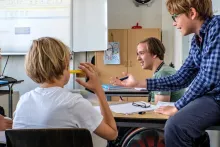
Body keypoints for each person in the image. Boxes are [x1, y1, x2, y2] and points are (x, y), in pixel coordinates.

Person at [110, 0, 220, 146]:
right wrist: (138, 83)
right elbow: (181, 78)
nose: (174, 23)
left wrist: (178, 106)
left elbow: (208, 77)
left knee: (175, 126)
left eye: (175, 17)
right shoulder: (197, 41)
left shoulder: (217, 27)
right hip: (212, 97)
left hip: (216, 97)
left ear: (192, 13)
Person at [13, 37, 118, 146]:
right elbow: (112, 134)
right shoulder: (74, 103)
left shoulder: (22, 102)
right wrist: (98, 90)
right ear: (64, 65)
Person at [136, 37, 185, 103]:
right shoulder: (162, 70)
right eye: (137, 54)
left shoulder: (162, 73)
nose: (138, 58)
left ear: (154, 54)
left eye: (141, 53)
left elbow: (159, 110)